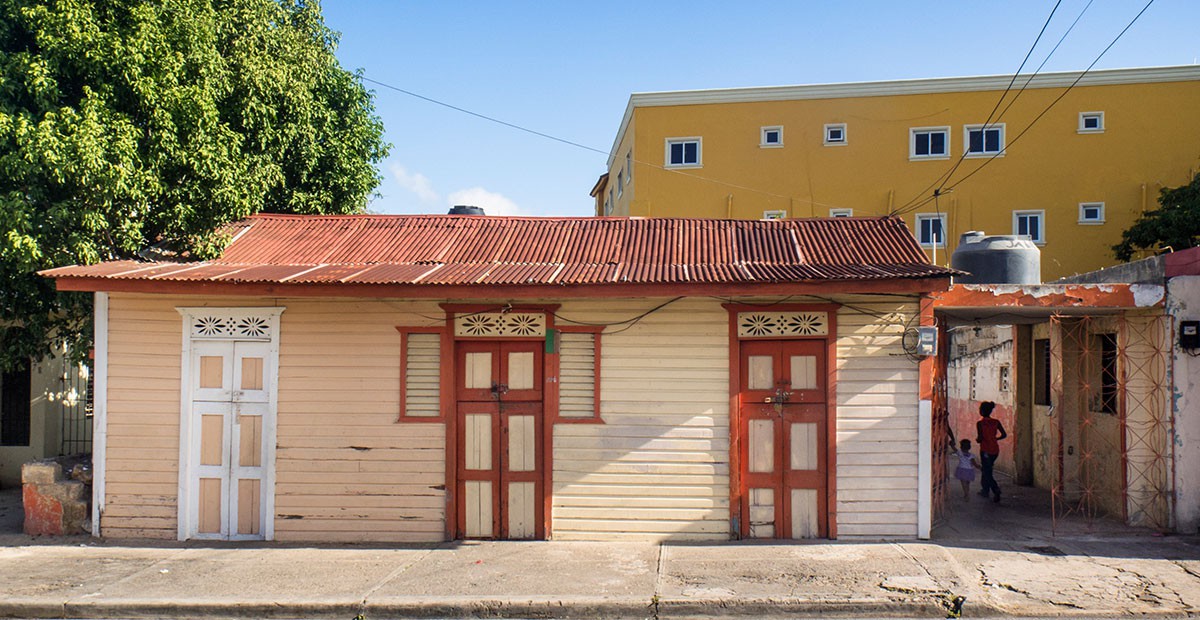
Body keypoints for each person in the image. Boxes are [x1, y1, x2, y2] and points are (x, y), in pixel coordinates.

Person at [976, 401, 1007, 503]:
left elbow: (980, 438)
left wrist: (979, 440)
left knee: (986, 471)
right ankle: (985, 490)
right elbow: (1004, 435)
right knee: (988, 469)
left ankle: (995, 489)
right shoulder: (996, 422)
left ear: (982, 411)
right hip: (995, 449)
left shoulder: (980, 424)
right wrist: (995, 439)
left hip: (985, 450)